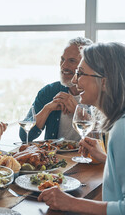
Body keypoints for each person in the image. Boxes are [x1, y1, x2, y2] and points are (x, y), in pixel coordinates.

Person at [39, 42, 125, 214]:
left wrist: (71, 203)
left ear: (105, 82)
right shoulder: (118, 124)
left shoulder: (122, 130)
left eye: (81, 73)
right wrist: (105, 158)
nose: (75, 80)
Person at [19, 37, 93, 142]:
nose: (64, 66)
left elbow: (104, 138)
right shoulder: (49, 92)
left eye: (71, 61)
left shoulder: (98, 95)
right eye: (62, 59)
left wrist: (77, 112)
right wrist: (47, 109)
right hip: (54, 157)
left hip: (86, 158)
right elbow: (24, 136)